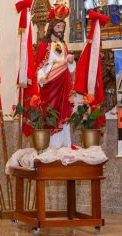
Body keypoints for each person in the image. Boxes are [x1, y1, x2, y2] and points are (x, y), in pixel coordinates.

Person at [36, 3, 75, 148]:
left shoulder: (64, 46)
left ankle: (64, 144)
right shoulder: (43, 46)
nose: (61, 30)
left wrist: (70, 63)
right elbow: (39, 66)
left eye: (63, 28)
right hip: (50, 85)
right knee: (51, 113)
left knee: (63, 112)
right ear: (52, 27)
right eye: (58, 27)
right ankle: (52, 145)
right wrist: (41, 78)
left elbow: (70, 69)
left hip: (63, 83)